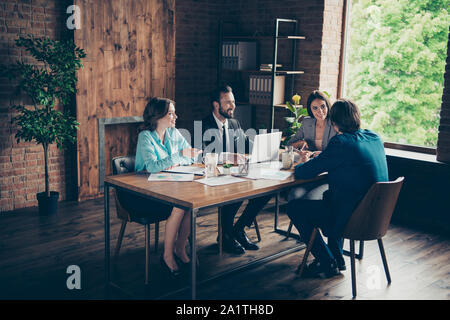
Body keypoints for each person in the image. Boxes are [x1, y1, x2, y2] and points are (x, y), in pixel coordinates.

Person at [287, 98, 388, 278]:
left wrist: (302, 162)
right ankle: (337, 257)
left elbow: (304, 172)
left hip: (352, 219)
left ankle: (327, 261)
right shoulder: (374, 138)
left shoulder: (341, 143)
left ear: (333, 123)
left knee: (295, 207)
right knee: (333, 197)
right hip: (376, 217)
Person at [134, 97, 201, 278]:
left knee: (189, 205)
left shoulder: (173, 133)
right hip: (142, 193)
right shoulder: (145, 137)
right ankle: (167, 256)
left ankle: (179, 249)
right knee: (181, 206)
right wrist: (177, 156)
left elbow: (192, 157)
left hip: (168, 186)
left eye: (173, 112)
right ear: (157, 116)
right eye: (170, 113)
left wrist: (175, 159)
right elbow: (153, 167)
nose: (175, 117)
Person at [201, 85, 271, 254]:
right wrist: (230, 157)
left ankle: (238, 229)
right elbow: (209, 154)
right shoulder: (204, 124)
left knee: (267, 190)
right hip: (213, 176)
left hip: (233, 174)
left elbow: (247, 143)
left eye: (233, 101)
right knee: (237, 190)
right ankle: (225, 236)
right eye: (228, 102)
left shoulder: (234, 123)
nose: (233, 106)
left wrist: (267, 148)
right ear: (216, 105)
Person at [286, 90, 337, 202]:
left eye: (323, 106)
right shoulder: (307, 123)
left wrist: (320, 154)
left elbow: (336, 153)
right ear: (310, 110)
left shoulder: (334, 125)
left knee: (310, 199)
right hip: (309, 174)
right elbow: (288, 144)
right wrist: (301, 143)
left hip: (326, 176)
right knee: (294, 195)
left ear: (327, 106)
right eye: (315, 108)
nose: (320, 111)